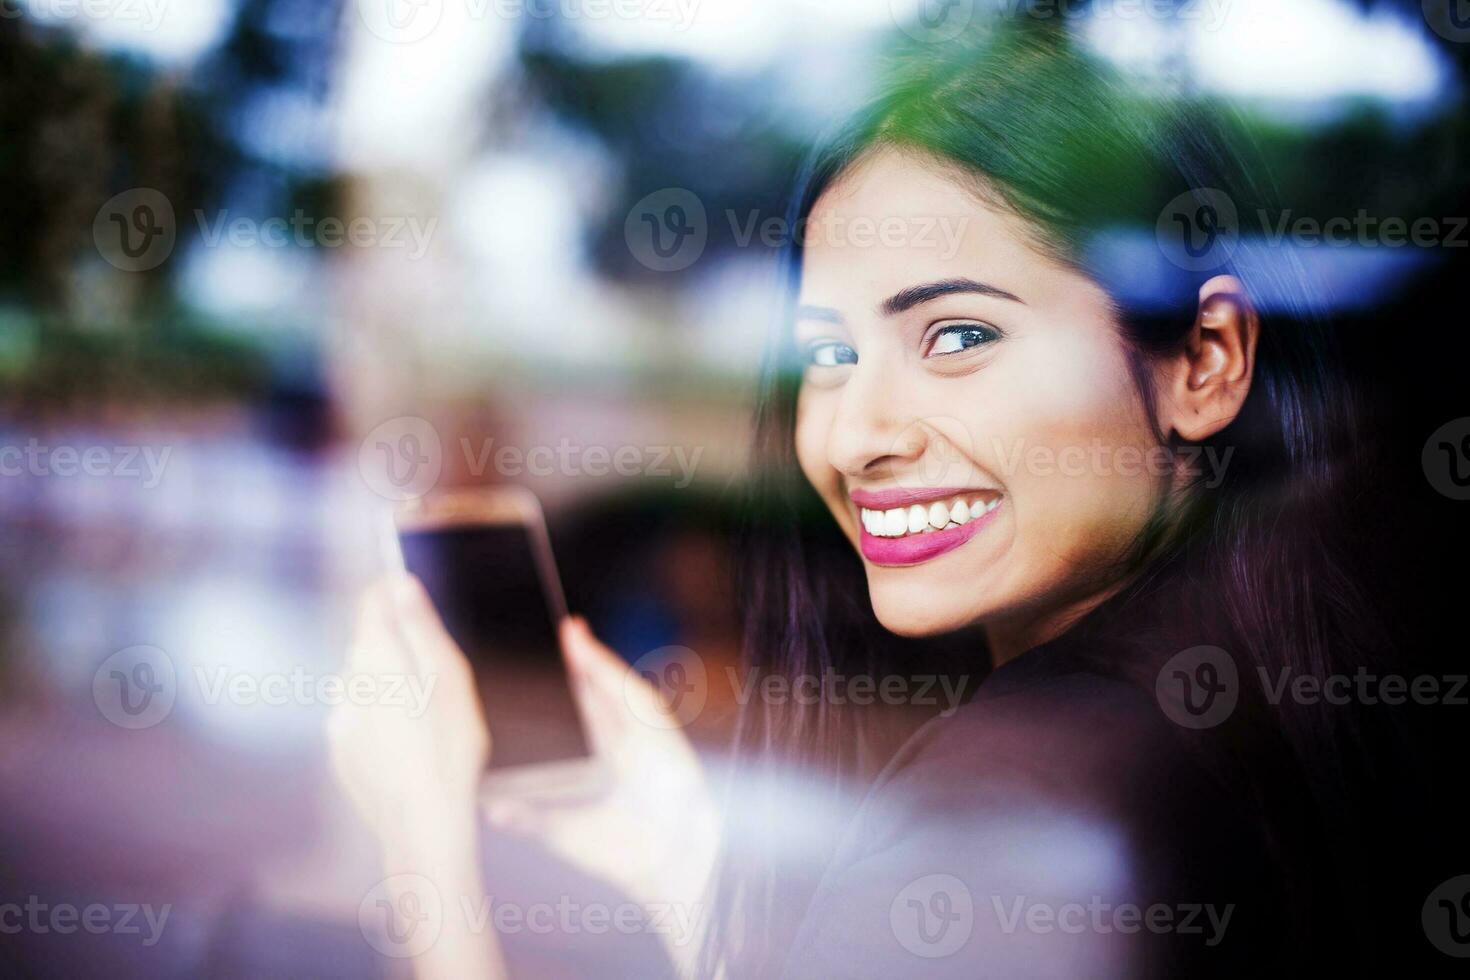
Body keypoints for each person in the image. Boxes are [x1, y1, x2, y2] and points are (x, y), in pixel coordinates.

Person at [330, 22, 1382, 978]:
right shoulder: (1260, 686)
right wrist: (685, 858)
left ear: (1205, 361)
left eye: (958, 336)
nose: (854, 433)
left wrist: (423, 860)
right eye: (829, 353)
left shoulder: (1021, 803)